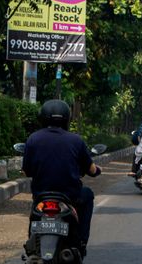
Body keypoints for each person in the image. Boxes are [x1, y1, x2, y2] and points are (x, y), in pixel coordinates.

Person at [22, 99, 101, 256]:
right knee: (88, 195)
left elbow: (27, 171)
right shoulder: (76, 140)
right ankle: (81, 240)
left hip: (42, 195)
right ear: (67, 118)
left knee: (35, 209)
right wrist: (97, 170)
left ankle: (32, 240)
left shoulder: (33, 139)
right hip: (70, 196)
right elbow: (91, 169)